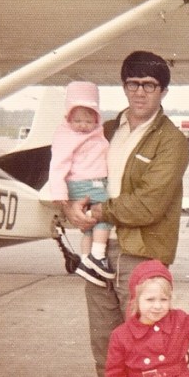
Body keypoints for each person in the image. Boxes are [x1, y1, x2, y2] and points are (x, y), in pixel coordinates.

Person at [61, 51, 189, 377]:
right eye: (132, 83)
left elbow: (150, 204)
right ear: (123, 86)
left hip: (141, 252)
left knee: (147, 346)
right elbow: (78, 172)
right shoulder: (107, 128)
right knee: (107, 343)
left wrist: (100, 211)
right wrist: (69, 205)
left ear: (163, 91)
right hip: (98, 248)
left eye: (149, 85)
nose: (140, 92)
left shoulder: (171, 141)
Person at [49, 81, 115, 286]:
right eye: (76, 120)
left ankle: (86, 261)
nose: (82, 125)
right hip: (87, 184)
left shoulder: (94, 134)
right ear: (68, 118)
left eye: (87, 121)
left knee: (88, 227)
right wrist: (59, 192)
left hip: (84, 184)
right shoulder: (68, 137)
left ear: (96, 119)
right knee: (103, 214)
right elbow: (58, 164)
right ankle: (98, 255)